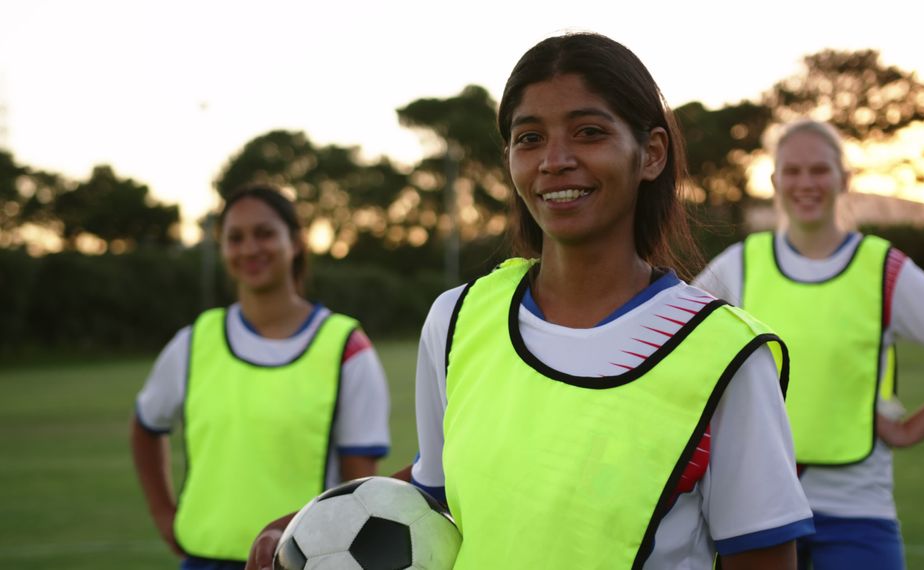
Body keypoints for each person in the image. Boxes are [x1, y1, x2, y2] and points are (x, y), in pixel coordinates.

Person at [247, 32, 813, 570]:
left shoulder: (724, 354)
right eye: (529, 137)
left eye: (589, 132)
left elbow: (761, 556)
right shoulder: (457, 318)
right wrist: (306, 526)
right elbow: (436, 486)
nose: (554, 160)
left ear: (652, 154)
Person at [693, 119, 924, 569]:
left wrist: (910, 429)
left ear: (845, 179)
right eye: (793, 171)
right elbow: (677, 350)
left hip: (857, 509)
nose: (806, 183)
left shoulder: (883, 269)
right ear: (774, 181)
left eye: (819, 170)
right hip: (756, 509)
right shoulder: (739, 266)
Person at [131, 184, 392, 570]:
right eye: (235, 238)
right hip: (203, 561)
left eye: (265, 233)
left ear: (298, 241)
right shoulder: (194, 341)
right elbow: (146, 426)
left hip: (301, 563)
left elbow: (356, 491)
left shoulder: (345, 348)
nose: (250, 249)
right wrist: (163, 515)